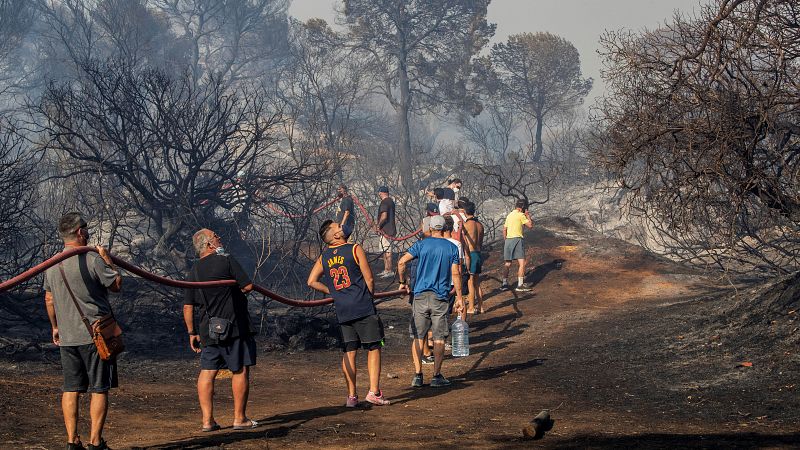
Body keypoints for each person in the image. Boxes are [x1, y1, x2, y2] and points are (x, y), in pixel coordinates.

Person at [43, 212, 123, 450]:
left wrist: (55, 327)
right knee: (99, 388)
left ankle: (72, 441)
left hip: (68, 338)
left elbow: (49, 299)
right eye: (86, 229)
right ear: (80, 232)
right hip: (96, 337)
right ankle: (96, 443)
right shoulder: (92, 258)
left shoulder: (51, 264)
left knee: (71, 388)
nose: (88, 233)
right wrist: (107, 259)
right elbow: (116, 285)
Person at [307, 220, 391, 407]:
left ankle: (351, 397)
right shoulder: (354, 248)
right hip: (362, 305)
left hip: (343, 309)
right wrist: (369, 297)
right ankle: (374, 392)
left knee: (349, 351)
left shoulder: (324, 256)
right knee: (374, 347)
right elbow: (369, 277)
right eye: (338, 227)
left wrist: (334, 292)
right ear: (336, 236)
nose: (342, 227)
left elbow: (311, 281)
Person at [184, 229, 258, 432]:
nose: (220, 238)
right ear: (209, 244)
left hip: (208, 331)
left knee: (207, 372)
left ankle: (207, 421)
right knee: (240, 369)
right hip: (235, 327)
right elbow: (249, 286)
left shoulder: (194, 271)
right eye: (216, 236)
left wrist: (191, 333)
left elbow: (188, 306)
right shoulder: (226, 260)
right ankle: (239, 419)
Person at [397, 215, 463, 388]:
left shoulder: (421, 245)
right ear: (443, 228)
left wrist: (403, 283)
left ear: (431, 228)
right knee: (439, 337)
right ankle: (436, 376)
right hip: (440, 297)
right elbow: (456, 274)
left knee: (418, 336)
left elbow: (402, 262)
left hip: (419, 296)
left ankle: (418, 375)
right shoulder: (451, 247)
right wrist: (460, 298)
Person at [501, 199, 534, 292]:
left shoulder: (509, 215)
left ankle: (504, 283)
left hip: (508, 240)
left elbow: (504, 229)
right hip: (517, 240)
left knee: (508, 263)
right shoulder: (521, 215)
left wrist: (506, 240)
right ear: (523, 207)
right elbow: (530, 225)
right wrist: (527, 215)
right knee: (522, 263)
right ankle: (520, 285)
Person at [461, 201, 485, 313]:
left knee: (470, 282)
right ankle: (481, 307)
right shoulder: (480, 225)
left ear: (465, 212)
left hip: (470, 255)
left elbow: (463, 243)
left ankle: (471, 307)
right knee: (477, 282)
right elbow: (480, 242)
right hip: (479, 254)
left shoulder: (466, 225)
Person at [376, 186, 397, 278]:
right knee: (385, 250)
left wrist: (378, 226)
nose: (379, 194)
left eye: (379, 193)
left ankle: (389, 270)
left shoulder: (384, 202)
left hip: (387, 230)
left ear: (381, 192)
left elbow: (384, 216)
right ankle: (386, 269)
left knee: (387, 251)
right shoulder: (391, 201)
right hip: (388, 229)